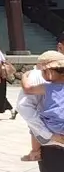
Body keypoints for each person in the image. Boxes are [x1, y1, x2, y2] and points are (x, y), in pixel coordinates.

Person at [18, 51, 64, 172]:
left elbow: (27, 92)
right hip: (53, 147)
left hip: (54, 145)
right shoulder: (47, 86)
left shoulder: (46, 87)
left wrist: (24, 75)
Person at [22, 34, 64, 162]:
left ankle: (35, 152)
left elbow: (27, 89)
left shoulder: (47, 87)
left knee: (35, 124)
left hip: (54, 126)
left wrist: (24, 76)